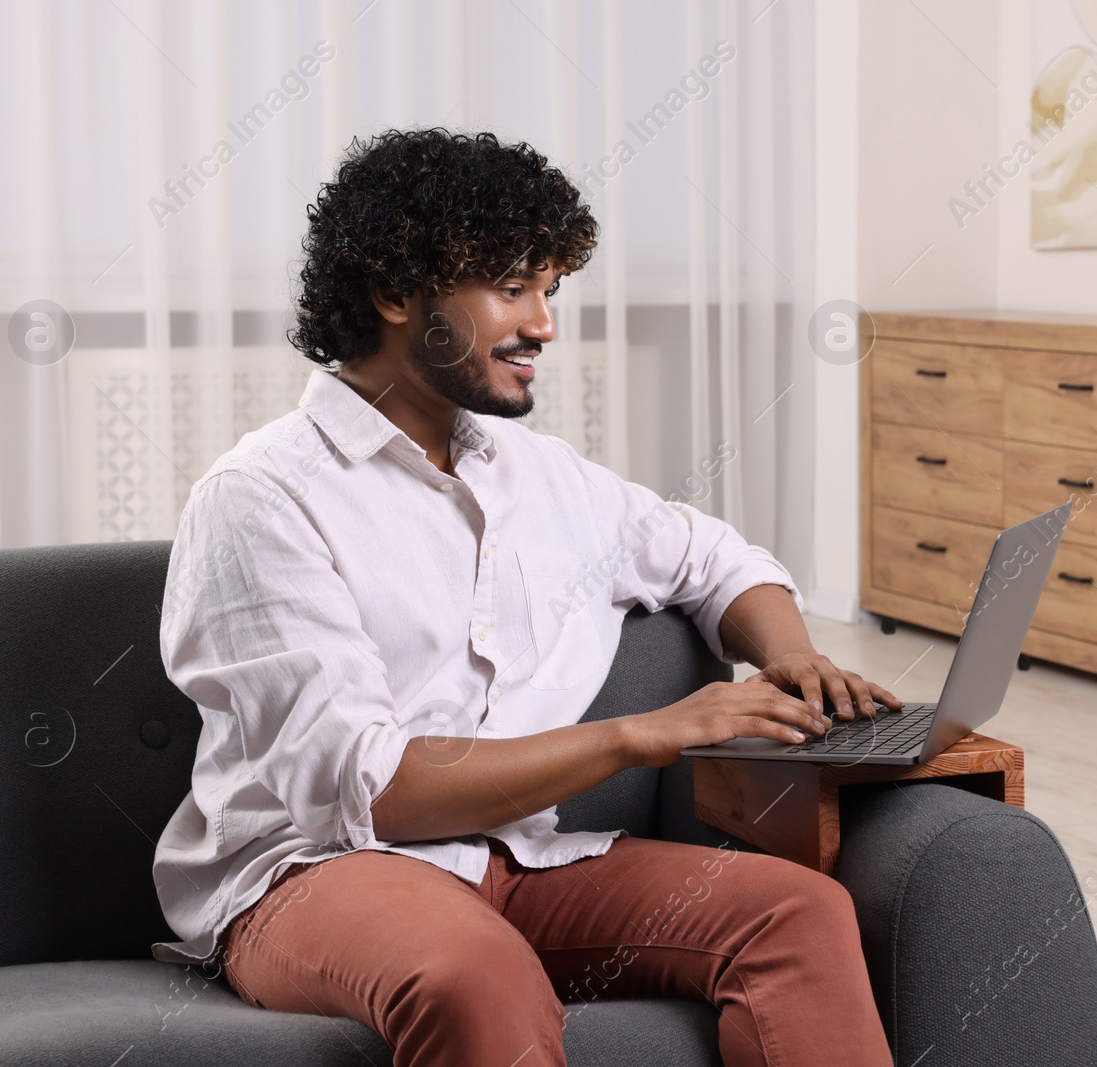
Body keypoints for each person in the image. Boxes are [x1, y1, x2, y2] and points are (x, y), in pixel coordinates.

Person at [152, 127, 899, 1067]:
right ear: (394, 295)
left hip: (517, 862)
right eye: (512, 288)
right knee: (474, 972)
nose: (544, 324)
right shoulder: (262, 497)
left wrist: (790, 653)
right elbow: (368, 792)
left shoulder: (541, 476)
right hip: (314, 873)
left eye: (550, 290)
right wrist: (643, 732)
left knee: (799, 911)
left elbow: (712, 557)